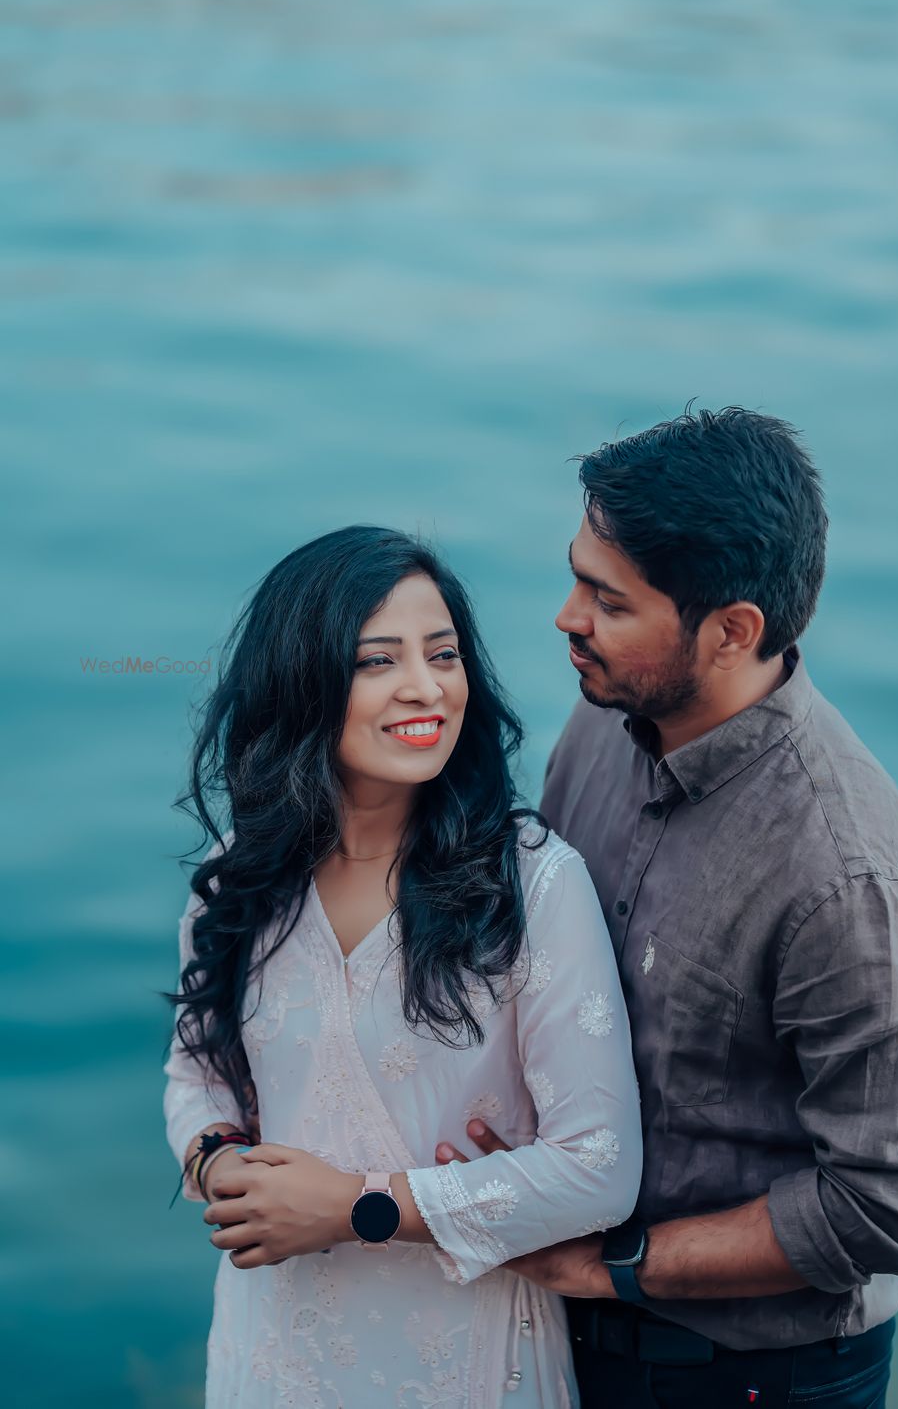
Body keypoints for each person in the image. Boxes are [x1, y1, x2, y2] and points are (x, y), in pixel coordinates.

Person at [449, 409, 898, 1409]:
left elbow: (893, 1205)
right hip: (570, 1329)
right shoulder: (607, 719)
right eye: (575, 577)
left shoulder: (841, 879)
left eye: (607, 599)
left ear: (731, 631)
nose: (566, 617)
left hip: (746, 1377)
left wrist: (616, 1264)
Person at [161, 525, 643, 1408]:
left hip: (463, 1359)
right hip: (269, 1349)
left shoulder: (532, 884)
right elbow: (197, 1070)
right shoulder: (241, 877)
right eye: (376, 661)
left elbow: (599, 1167)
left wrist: (359, 1207)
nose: (426, 688)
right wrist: (215, 1159)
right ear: (300, 681)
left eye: (444, 653)